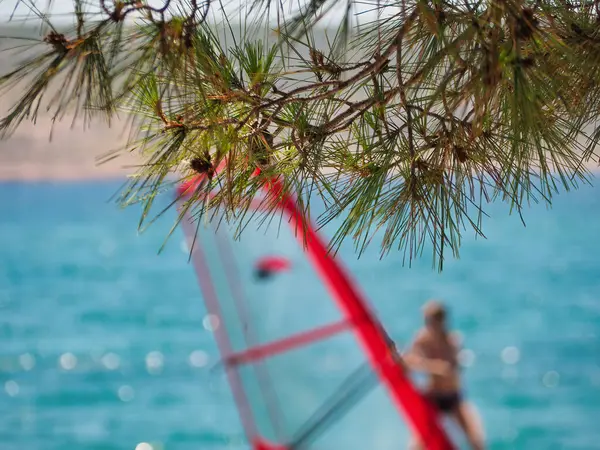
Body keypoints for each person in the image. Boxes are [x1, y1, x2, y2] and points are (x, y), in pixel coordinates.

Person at [403, 300, 485, 450]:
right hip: (433, 397)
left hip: (453, 397)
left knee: (476, 440)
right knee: (416, 444)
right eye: (426, 321)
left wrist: (428, 365)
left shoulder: (453, 340)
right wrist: (431, 366)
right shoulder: (422, 339)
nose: (427, 325)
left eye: (430, 321)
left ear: (441, 322)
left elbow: (452, 368)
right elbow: (408, 360)